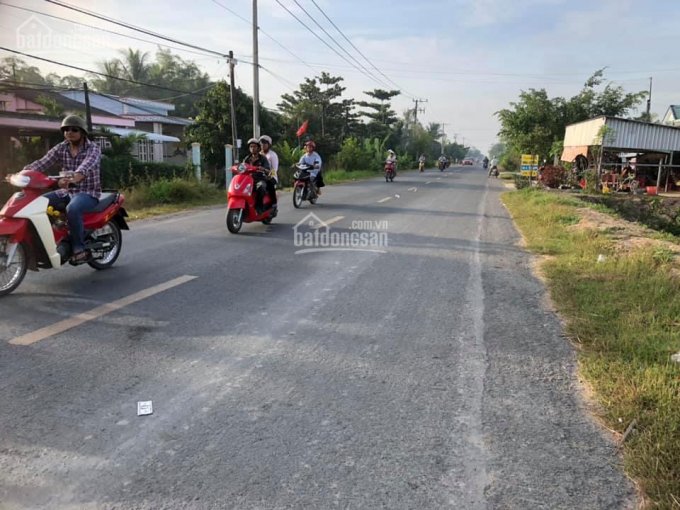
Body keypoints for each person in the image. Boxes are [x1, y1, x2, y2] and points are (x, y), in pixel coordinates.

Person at [22, 115, 101, 263]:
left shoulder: (93, 148)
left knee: (73, 208)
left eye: (74, 129)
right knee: (38, 203)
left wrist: (77, 175)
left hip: (88, 192)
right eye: (66, 129)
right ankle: (55, 235)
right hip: (66, 191)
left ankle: (79, 248)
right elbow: (42, 163)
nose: (69, 132)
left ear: (82, 132)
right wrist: (23, 173)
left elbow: (88, 164)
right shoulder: (61, 147)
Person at [242, 138, 271, 213]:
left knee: (261, 186)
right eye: (251, 146)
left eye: (254, 146)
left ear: (258, 148)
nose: (252, 148)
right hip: (248, 180)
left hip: (259, 179)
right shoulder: (247, 159)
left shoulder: (263, 158)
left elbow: (268, 170)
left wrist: (263, 169)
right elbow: (242, 167)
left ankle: (259, 207)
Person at [259, 135, 278, 209]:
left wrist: (269, 176)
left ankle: (274, 203)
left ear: (269, 144)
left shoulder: (272, 155)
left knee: (269, 184)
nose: (262, 145)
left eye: (264, 143)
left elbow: (274, 169)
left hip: (270, 176)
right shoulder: (258, 154)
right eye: (261, 143)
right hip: (259, 176)